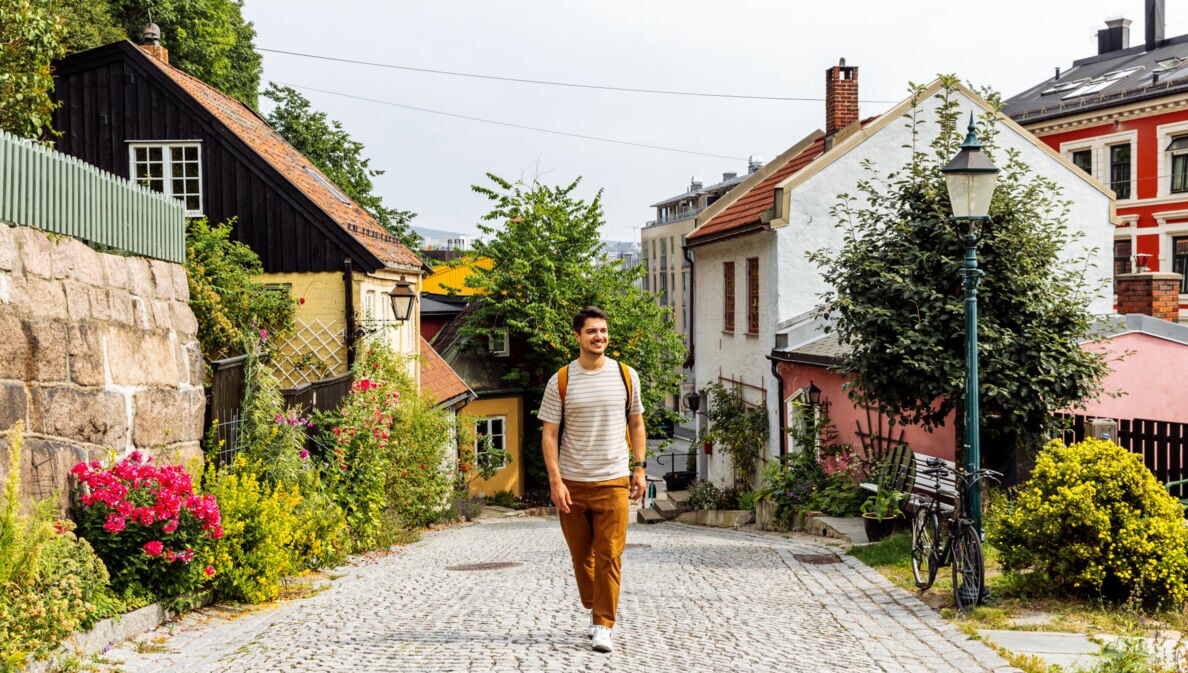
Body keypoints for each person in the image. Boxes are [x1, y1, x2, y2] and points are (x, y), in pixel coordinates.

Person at [538, 306, 646, 654]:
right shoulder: (561, 381)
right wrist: (555, 480)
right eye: (591, 332)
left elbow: (637, 424)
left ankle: (603, 623)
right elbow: (550, 434)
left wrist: (640, 467)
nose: (599, 337)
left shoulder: (627, 376)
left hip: (614, 480)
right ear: (578, 337)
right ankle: (594, 603)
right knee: (582, 556)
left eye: (603, 331)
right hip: (573, 482)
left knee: (610, 555)